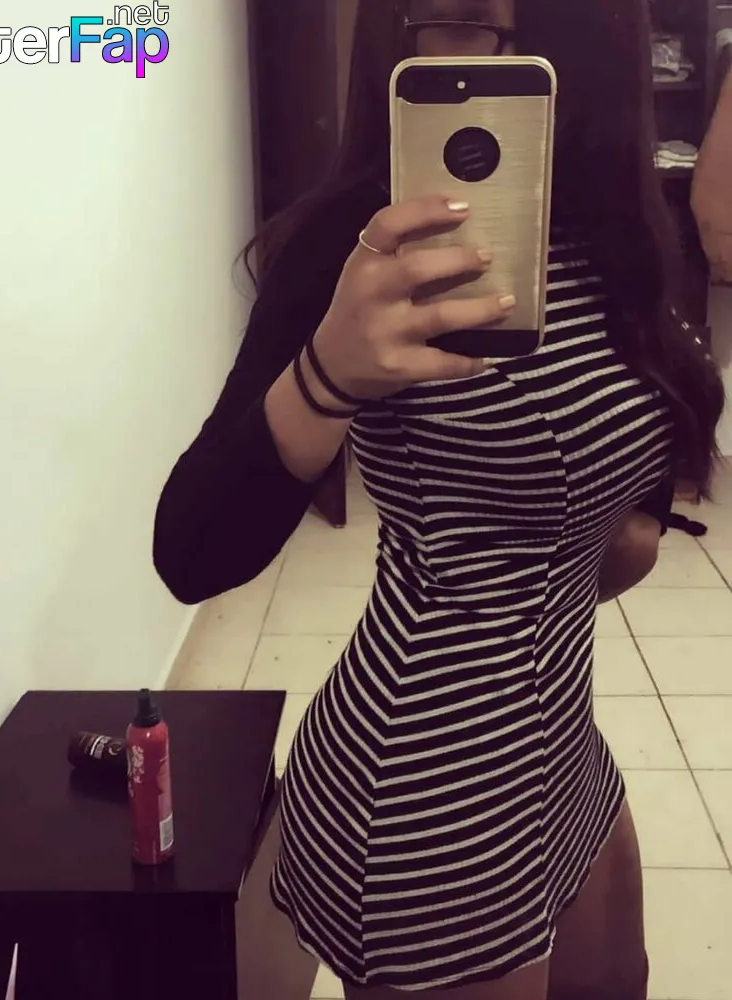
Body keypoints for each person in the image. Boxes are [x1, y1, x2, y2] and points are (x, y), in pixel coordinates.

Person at [153, 1, 725, 997]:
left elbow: (620, 494)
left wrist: (605, 534)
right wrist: (326, 374)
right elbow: (190, 550)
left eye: (513, 23)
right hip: (427, 785)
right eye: (453, 20)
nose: (490, 59)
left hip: (562, 744)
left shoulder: (609, 225)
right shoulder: (363, 244)